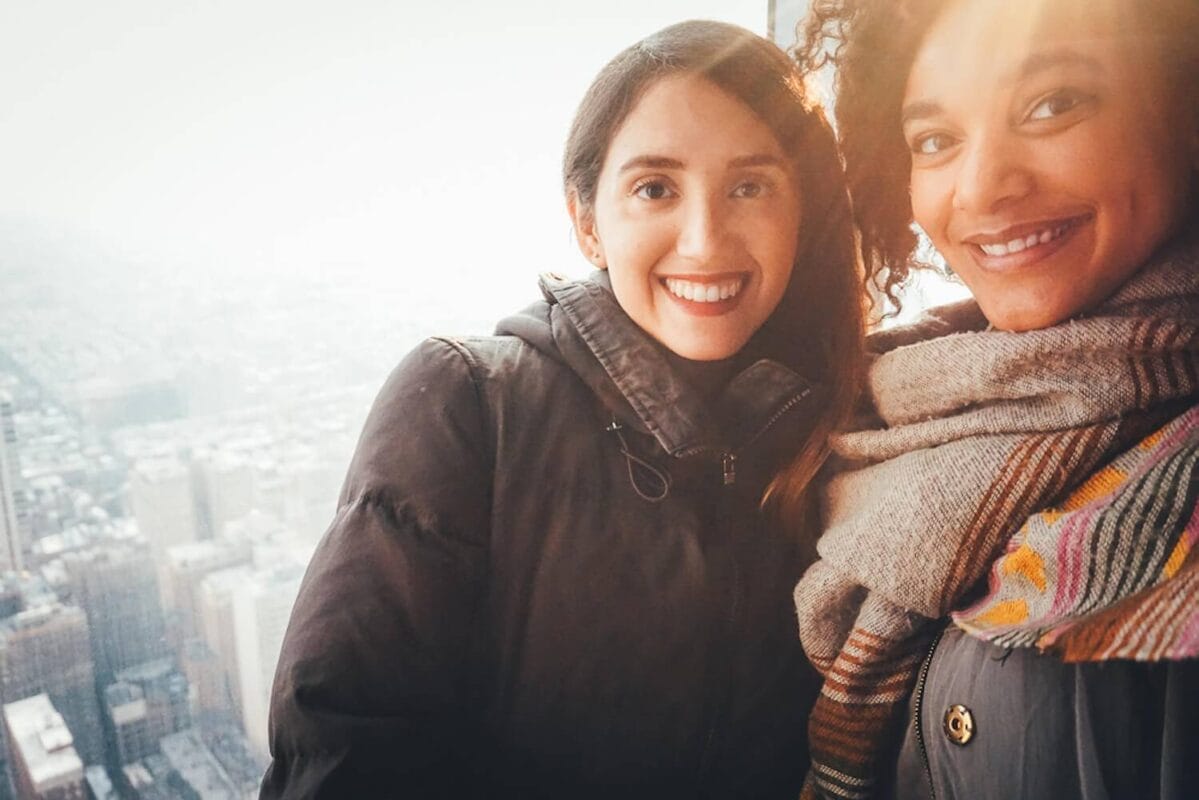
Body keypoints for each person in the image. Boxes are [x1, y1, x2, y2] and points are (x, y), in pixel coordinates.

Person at [260, 20, 864, 798]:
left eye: (749, 186)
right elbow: (346, 757)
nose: (705, 238)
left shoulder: (838, 426)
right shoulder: (471, 405)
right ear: (586, 222)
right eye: (655, 189)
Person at [789, 0, 1199, 797]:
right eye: (934, 140)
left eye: (1051, 105)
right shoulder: (897, 411)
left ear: (1181, 109)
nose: (980, 187)